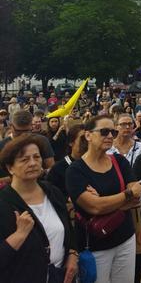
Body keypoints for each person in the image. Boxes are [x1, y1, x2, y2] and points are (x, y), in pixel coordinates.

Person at [65, 115, 141, 283]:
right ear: (88, 135)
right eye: (104, 131)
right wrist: (125, 197)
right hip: (95, 245)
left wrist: (107, 201)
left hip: (125, 238)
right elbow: (95, 207)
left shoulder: (119, 161)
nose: (109, 136)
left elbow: (137, 194)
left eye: (113, 132)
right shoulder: (75, 171)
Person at [0, 135, 78, 283]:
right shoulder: (3, 203)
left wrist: (73, 254)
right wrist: (19, 235)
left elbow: (69, 229)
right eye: (24, 159)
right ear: (10, 168)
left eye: (37, 157)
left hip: (60, 275)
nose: (33, 163)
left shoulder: (53, 192)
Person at [0, 110, 56, 184]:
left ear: (32, 126)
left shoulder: (42, 141)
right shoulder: (2, 146)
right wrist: (24, 177)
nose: (23, 136)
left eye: (27, 132)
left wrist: (42, 172)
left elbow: (51, 169)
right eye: (18, 132)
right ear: (11, 126)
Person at [46, 124, 86, 197]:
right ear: (71, 142)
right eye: (83, 139)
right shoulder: (58, 168)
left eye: (89, 138)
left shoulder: (98, 164)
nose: (87, 143)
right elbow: (50, 193)